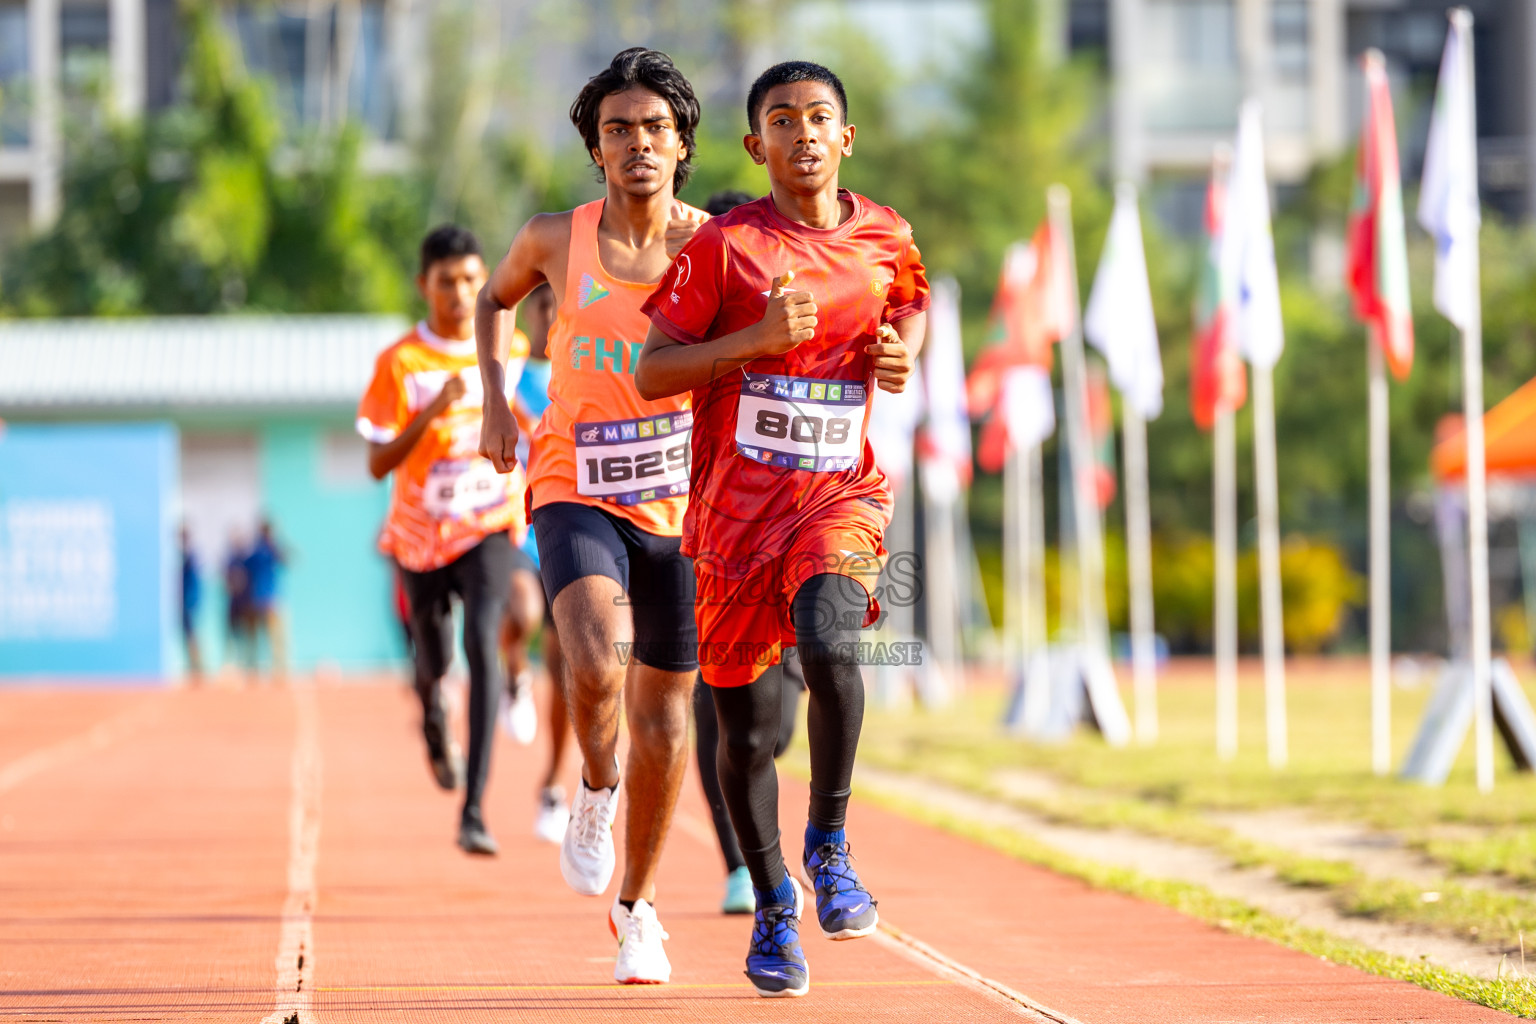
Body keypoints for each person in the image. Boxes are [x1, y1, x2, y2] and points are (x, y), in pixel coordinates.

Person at [634, 60, 929, 998]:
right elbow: (653, 370)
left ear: (847, 137)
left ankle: (830, 841)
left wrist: (899, 352)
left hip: (838, 496)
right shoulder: (723, 247)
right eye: (782, 120)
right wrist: (753, 342)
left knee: (834, 640)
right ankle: (770, 901)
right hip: (732, 522)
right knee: (749, 731)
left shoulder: (886, 235)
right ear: (756, 145)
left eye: (820, 118)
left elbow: (912, 305)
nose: (803, 133)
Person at [477, 47, 708, 986]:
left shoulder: (714, 246)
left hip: (682, 501)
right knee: (589, 659)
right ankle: (594, 788)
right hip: (575, 479)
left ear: (682, 143)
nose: (639, 144)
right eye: (620, 131)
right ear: (597, 148)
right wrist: (496, 396)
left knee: (667, 712)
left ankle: (639, 908)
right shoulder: (552, 237)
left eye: (656, 129)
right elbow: (494, 307)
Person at [357, 224, 530, 857]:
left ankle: (476, 806)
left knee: (481, 642)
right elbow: (377, 463)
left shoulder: (514, 345)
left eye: (470, 280)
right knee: (432, 660)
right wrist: (432, 412)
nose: (460, 294)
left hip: (486, 524)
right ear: (422, 286)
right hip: (418, 536)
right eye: (446, 282)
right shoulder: (401, 363)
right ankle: (432, 710)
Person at [679, 188, 806, 916]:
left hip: (791, 532)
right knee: (717, 706)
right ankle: (738, 865)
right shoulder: (688, 331)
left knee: (773, 729)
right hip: (708, 538)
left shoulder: (792, 327)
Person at [499, 281, 575, 843]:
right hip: (519, 530)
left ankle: (553, 784)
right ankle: (513, 675)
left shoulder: (587, 377)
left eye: (559, 307)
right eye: (542, 309)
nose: (551, 317)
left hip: (571, 535)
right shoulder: (513, 378)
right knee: (519, 613)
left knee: (569, 673)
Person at [244, 519, 288, 681]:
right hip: (265, 599)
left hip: (266, 599)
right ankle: (259, 669)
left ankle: (278, 670)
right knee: (266, 637)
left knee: (274, 637)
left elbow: (286, 560)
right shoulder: (262, 549)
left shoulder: (268, 549)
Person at [180, 526, 204, 682]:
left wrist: (190, 600)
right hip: (187, 600)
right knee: (188, 634)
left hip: (190, 601)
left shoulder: (191, 554)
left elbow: (194, 580)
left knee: (192, 634)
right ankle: (193, 666)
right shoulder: (185, 554)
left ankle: (197, 667)